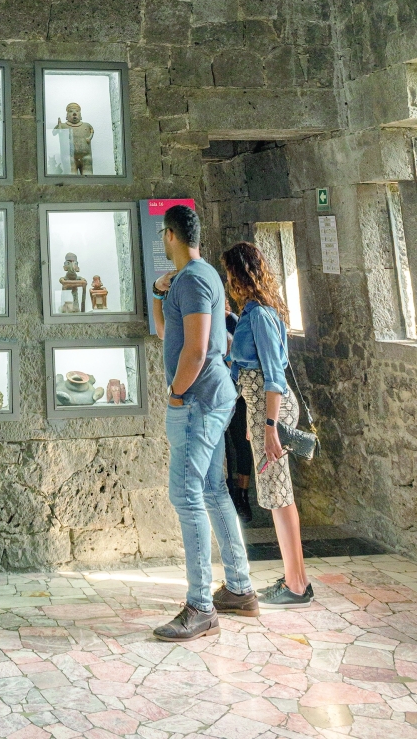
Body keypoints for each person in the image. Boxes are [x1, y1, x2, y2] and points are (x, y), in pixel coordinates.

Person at [151, 205, 258, 640]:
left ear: (168, 235)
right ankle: (239, 588)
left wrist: (177, 394)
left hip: (197, 400)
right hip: (210, 398)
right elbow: (164, 333)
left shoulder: (193, 280)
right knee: (213, 491)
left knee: (186, 494)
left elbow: (195, 351)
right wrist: (159, 291)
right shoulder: (199, 276)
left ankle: (200, 607)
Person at [222, 241, 313, 605]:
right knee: (279, 496)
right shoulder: (256, 312)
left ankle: (296, 586)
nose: (228, 280)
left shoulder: (258, 315)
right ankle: (296, 579)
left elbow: (273, 377)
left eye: (230, 274)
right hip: (261, 408)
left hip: (270, 407)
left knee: (279, 497)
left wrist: (269, 425)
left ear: (240, 275)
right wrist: (255, 421)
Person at [224, 299, 254, 525]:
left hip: (238, 394)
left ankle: (242, 497)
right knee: (224, 445)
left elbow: (239, 356)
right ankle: (228, 492)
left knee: (241, 443)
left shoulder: (233, 322)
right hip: (220, 393)